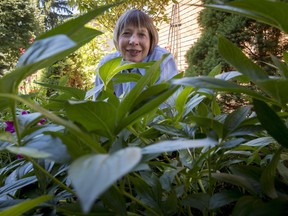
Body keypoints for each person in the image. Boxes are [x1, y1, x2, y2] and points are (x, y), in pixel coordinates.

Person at [90, 9, 178, 100]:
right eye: (126, 33)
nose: (133, 41)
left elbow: (168, 108)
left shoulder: (161, 60)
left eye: (141, 34)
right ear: (117, 38)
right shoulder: (107, 64)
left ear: (151, 40)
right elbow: (98, 106)